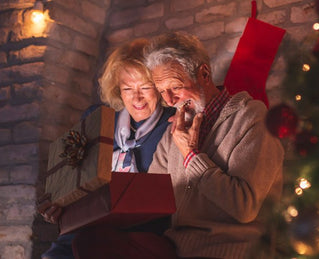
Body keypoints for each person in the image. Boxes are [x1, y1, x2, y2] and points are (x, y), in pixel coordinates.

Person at [144, 32, 285, 258]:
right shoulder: (176, 130)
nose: (169, 101)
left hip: (233, 249)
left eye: (175, 87)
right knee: (92, 242)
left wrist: (190, 155)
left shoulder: (253, 117)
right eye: (162, 92)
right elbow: (150, 196)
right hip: (176, 247)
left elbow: (243, 207)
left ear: (204, 74)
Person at [38, 38, 176, 259]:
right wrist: (58, 204)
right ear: (117, 89)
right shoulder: (97, 118)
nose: (136, 97)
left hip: (142, 232)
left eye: (146, 87)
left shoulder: (172, 123)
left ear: (160, 87)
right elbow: (73, 178)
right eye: (127, 88)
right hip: (86, 226)